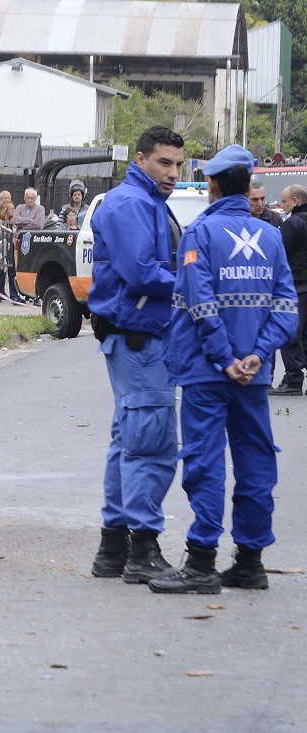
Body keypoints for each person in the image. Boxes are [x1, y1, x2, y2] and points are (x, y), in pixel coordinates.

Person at [148, 145, 298, 594]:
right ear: (248, 185)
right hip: (253, 374)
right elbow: (287, 306)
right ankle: (250, 562)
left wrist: (223, 358)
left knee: (204, 463)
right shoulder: (270, 237)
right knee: (255, 460)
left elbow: (200, 302)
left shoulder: (201, 234)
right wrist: (257, 354)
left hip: (206, 372)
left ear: (211, 184)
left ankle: (201, 563)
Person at [87, 126, 185, 584]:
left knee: (130, 441)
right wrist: (195, 281)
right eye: (164, 163)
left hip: (139, 338)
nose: (173, 172)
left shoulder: (145, 203)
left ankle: (115, 548)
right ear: (142, 158)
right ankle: (141, 549)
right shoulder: (131, 203)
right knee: (149, 444)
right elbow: (142, 273)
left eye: (178, 164)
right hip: (140, 340)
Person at [269, 185, 307, 395]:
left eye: (284, 201)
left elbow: (279, 252)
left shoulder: (293, 223)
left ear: (295, 200)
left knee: (291, 333)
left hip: (296, 286)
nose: (282, 206)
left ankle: (292, 380)